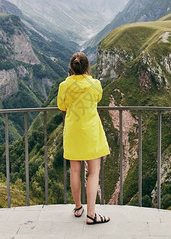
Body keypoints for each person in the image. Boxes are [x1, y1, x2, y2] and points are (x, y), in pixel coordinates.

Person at [57, 52, 111, 225]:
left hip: (73, 131)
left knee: (75, 170)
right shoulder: (95, 84)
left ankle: (78, 207)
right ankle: (91, 214)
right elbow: (98, 98)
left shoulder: (64, 85)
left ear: (71, 69)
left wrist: (70, 80)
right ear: (87, 68)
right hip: (91, 131)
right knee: (93, 172)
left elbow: (61, 106)